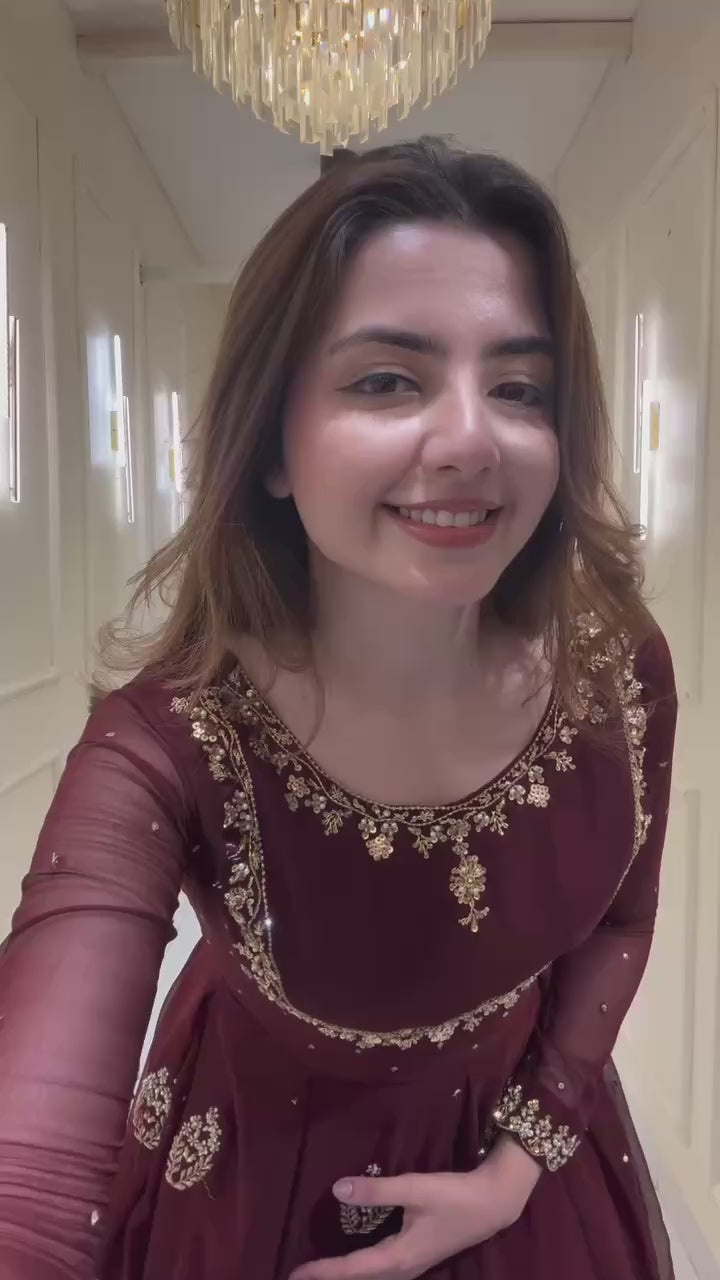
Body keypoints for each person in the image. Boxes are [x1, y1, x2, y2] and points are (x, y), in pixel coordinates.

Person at [0, 138, 677, 1280]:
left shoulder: (618, 669)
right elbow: (28, 1173)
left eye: (519, 388)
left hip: (530, 1178)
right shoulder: (167, 745)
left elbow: (620, 919)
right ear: (272, 442)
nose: (471, 438)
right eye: (386, 380)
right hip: (260, 1189)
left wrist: (518, 1165)